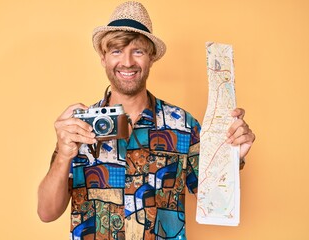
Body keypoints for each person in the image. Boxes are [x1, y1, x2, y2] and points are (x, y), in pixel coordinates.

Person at [37, 1, 255, 239]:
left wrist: (233, 156)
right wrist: (63, 155)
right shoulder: (78, 128)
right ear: (104, 57)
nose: (127, 62)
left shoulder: (183, 125)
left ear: (151, 57)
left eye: (137, 51)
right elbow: (47, 212)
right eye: (117, 51)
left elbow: (214, 200)